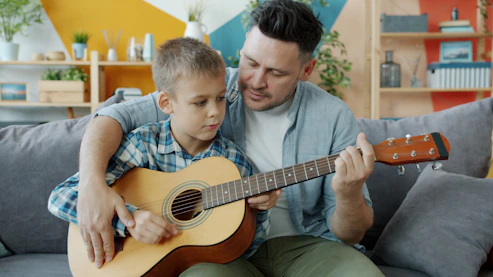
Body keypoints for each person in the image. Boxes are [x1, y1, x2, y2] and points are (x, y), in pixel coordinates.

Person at [75, 0, 384, 276]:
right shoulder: (210, 88)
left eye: (276, 73)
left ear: (307, 69)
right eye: (250, 61)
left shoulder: (334, 116)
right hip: (217, 253)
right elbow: (112, 117)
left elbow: (349, 234)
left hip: (307, 247)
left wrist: (348, 193)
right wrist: (92, 185)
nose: (255, 81)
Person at [47, 37, 270, 269]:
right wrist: (129, 221)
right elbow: (61, 196)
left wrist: (258, 212)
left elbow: (249, 249)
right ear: (165, 103)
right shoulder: (144, 144)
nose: (215, 111)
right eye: (200, 102)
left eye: (221, 98)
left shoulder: (233, 162)